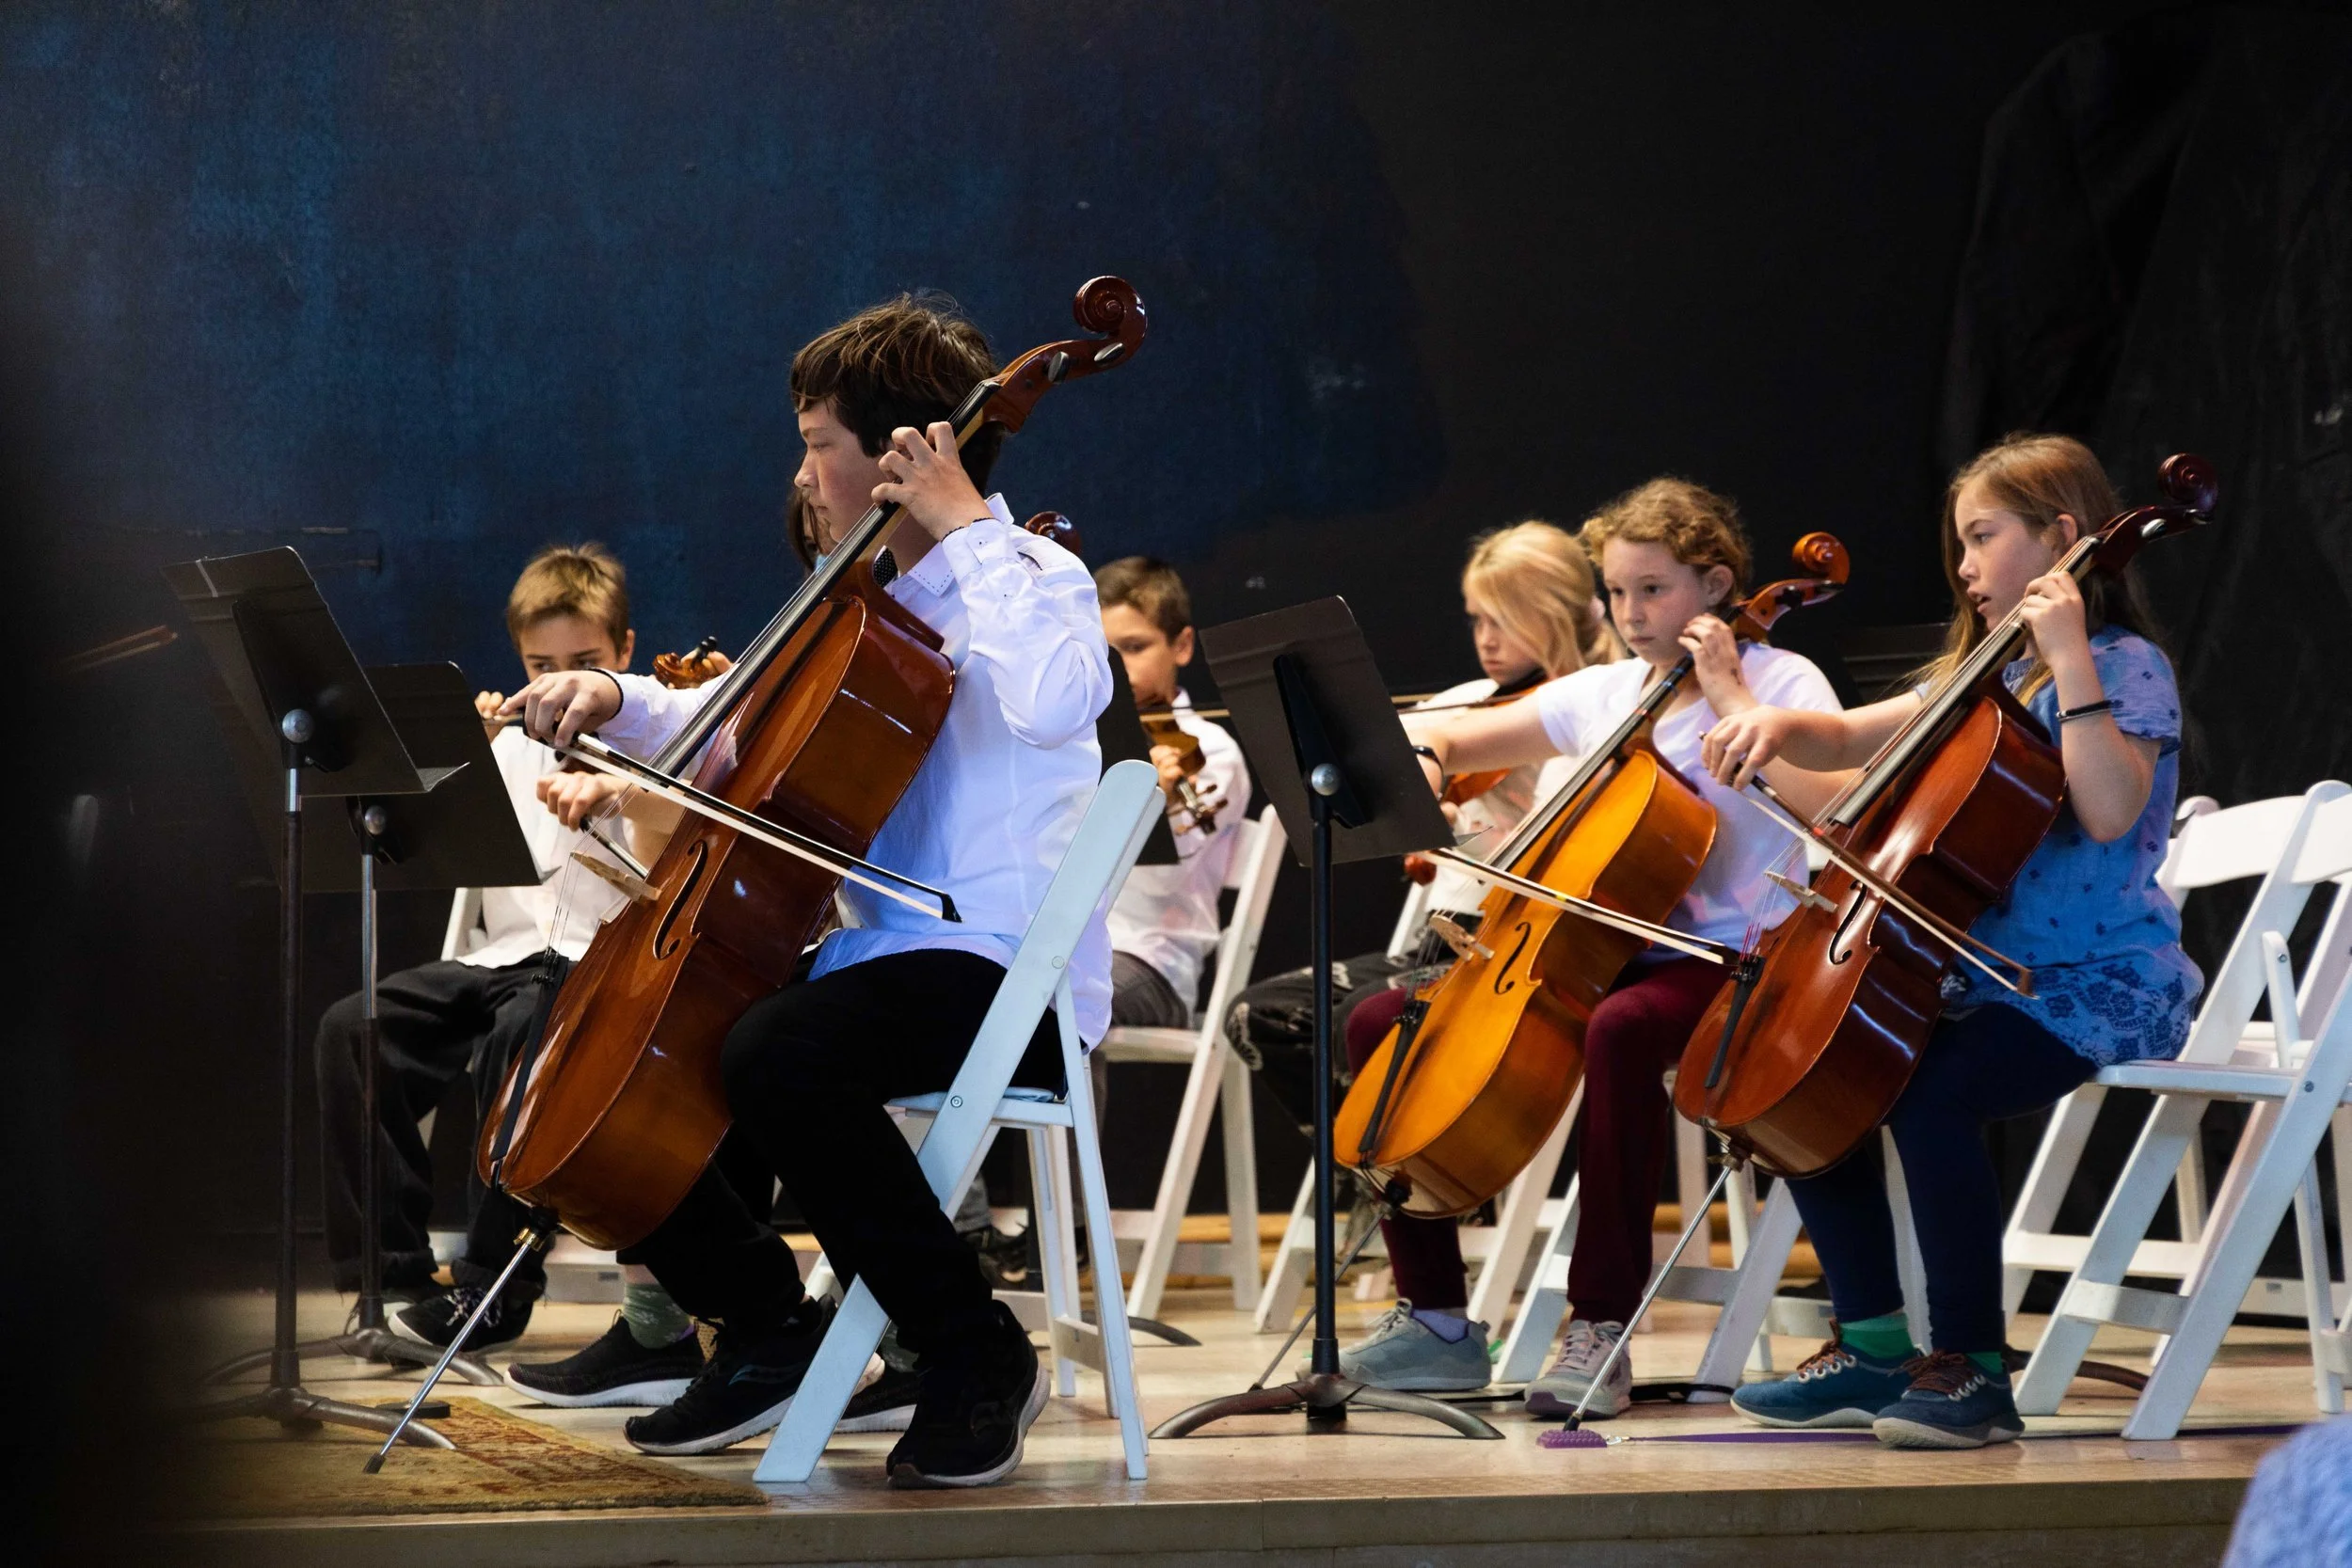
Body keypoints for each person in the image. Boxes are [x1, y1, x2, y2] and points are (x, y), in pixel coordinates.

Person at [499, 293, 1112, 1488]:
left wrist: (968, 530)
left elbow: (1054, 700)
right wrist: (616, 700)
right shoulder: (857, 600)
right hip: (878, 961)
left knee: (781, 1052)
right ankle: (770, 1326)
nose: (803, 469)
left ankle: (975, 1349)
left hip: (1002, 970)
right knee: (610, 1041)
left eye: (816, 440)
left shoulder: (1034, 573)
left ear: (903, 451)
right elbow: (729, 722)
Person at [1712, 433, 2201, 1449]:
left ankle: (1973, 1364)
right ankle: (1875, 1340)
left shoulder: (2121, 665)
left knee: (1931, 1091)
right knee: (1812, 1067)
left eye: (1983, 537)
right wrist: (1761, 721)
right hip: (1978, 980)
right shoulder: (1978, 672)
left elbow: (2108, 809)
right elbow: (1848, 737)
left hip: (2096, 981)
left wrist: (2067, 655)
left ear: (2063, 537)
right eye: (1962, 543)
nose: (1966, 566)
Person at [1391, 479, 1849, 1411]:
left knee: (1625, 1029)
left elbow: (1838, 813)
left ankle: (1599, 1324)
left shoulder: (1785, 685)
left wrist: (1726, 693)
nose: (1629, 613)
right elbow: (1446, 726)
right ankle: (1434, 1319)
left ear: (1716, 584)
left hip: (1731, 960)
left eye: (1653, 589)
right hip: (1603, 949)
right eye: (1615, 593)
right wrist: (1428, 754)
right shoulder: (1603, 692)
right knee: (1387, 1020)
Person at [310, 545, 645, 1349]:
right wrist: (468, 751)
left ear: (624, 654)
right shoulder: (512, 743)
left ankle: (494, 1287)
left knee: (519, 1034)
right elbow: (445, 857)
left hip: (600, 969)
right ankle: (386, 1275)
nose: (560, 682)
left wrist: (613, 792)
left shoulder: (658, 733)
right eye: (541, 664)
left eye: (585, 662)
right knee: (354, 1030)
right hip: (504, 959)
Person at [1222, 521, 1618, 1136]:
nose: (1485, 640)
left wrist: (1465, 830)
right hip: (1439, 942)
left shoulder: (1585, 710)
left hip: (1505, 948)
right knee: (1262, 1015)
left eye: (1504, 620)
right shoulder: (1474, 697)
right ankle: (1371, 1172)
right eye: (1476, 620)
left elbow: (1559, 851)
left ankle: (1414, 1171)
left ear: (1556, 616)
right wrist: (1412, 791)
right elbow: (1389, 738)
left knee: (1363, 1016)